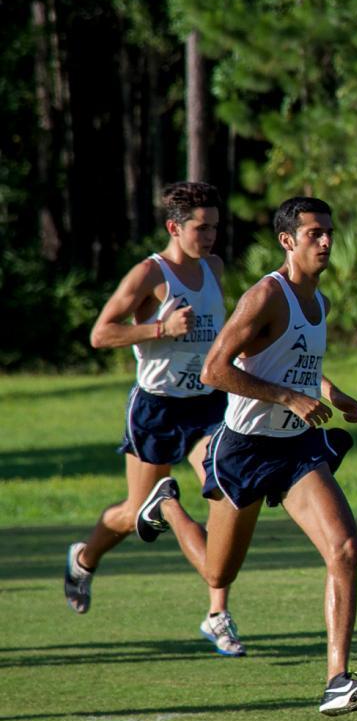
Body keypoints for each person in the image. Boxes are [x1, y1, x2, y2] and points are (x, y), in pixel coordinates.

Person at [136, 195, 357, 715]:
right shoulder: (266, 295)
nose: (326, 241)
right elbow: (214, 370)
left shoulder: (321, 301)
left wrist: (330, 391)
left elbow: (293, 362)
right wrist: (289, 397)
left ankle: (337, 678)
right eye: (314, 233)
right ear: (287, 240)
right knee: (218, 575)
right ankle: (165, 507)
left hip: (295, 448)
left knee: (344, 548)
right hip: (244, 450)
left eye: (329, 232)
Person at [63, 181, 242, 655]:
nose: (209, 238)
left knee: (222, 492)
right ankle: (84, 557)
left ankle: (217, 613)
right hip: (157, 408)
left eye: (215, 228)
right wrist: (161, 328)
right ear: (174, 227)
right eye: (201, 229)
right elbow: (102, 334)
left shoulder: (215, 268)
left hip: (207, 405)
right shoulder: (149, 274)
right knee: (132, 512)